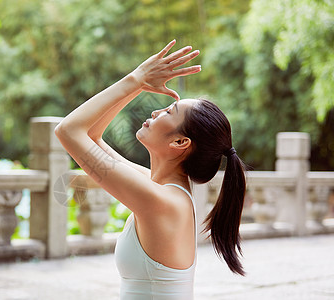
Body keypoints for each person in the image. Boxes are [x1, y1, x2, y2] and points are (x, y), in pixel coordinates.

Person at [55, 40, 246, 299]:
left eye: (169, 111)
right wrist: (140, 84)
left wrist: (136, 79)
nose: (156, 111)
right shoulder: (160, 190)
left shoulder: (161, 201)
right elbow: (91, 135)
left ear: (180, 142)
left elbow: (68, 131)